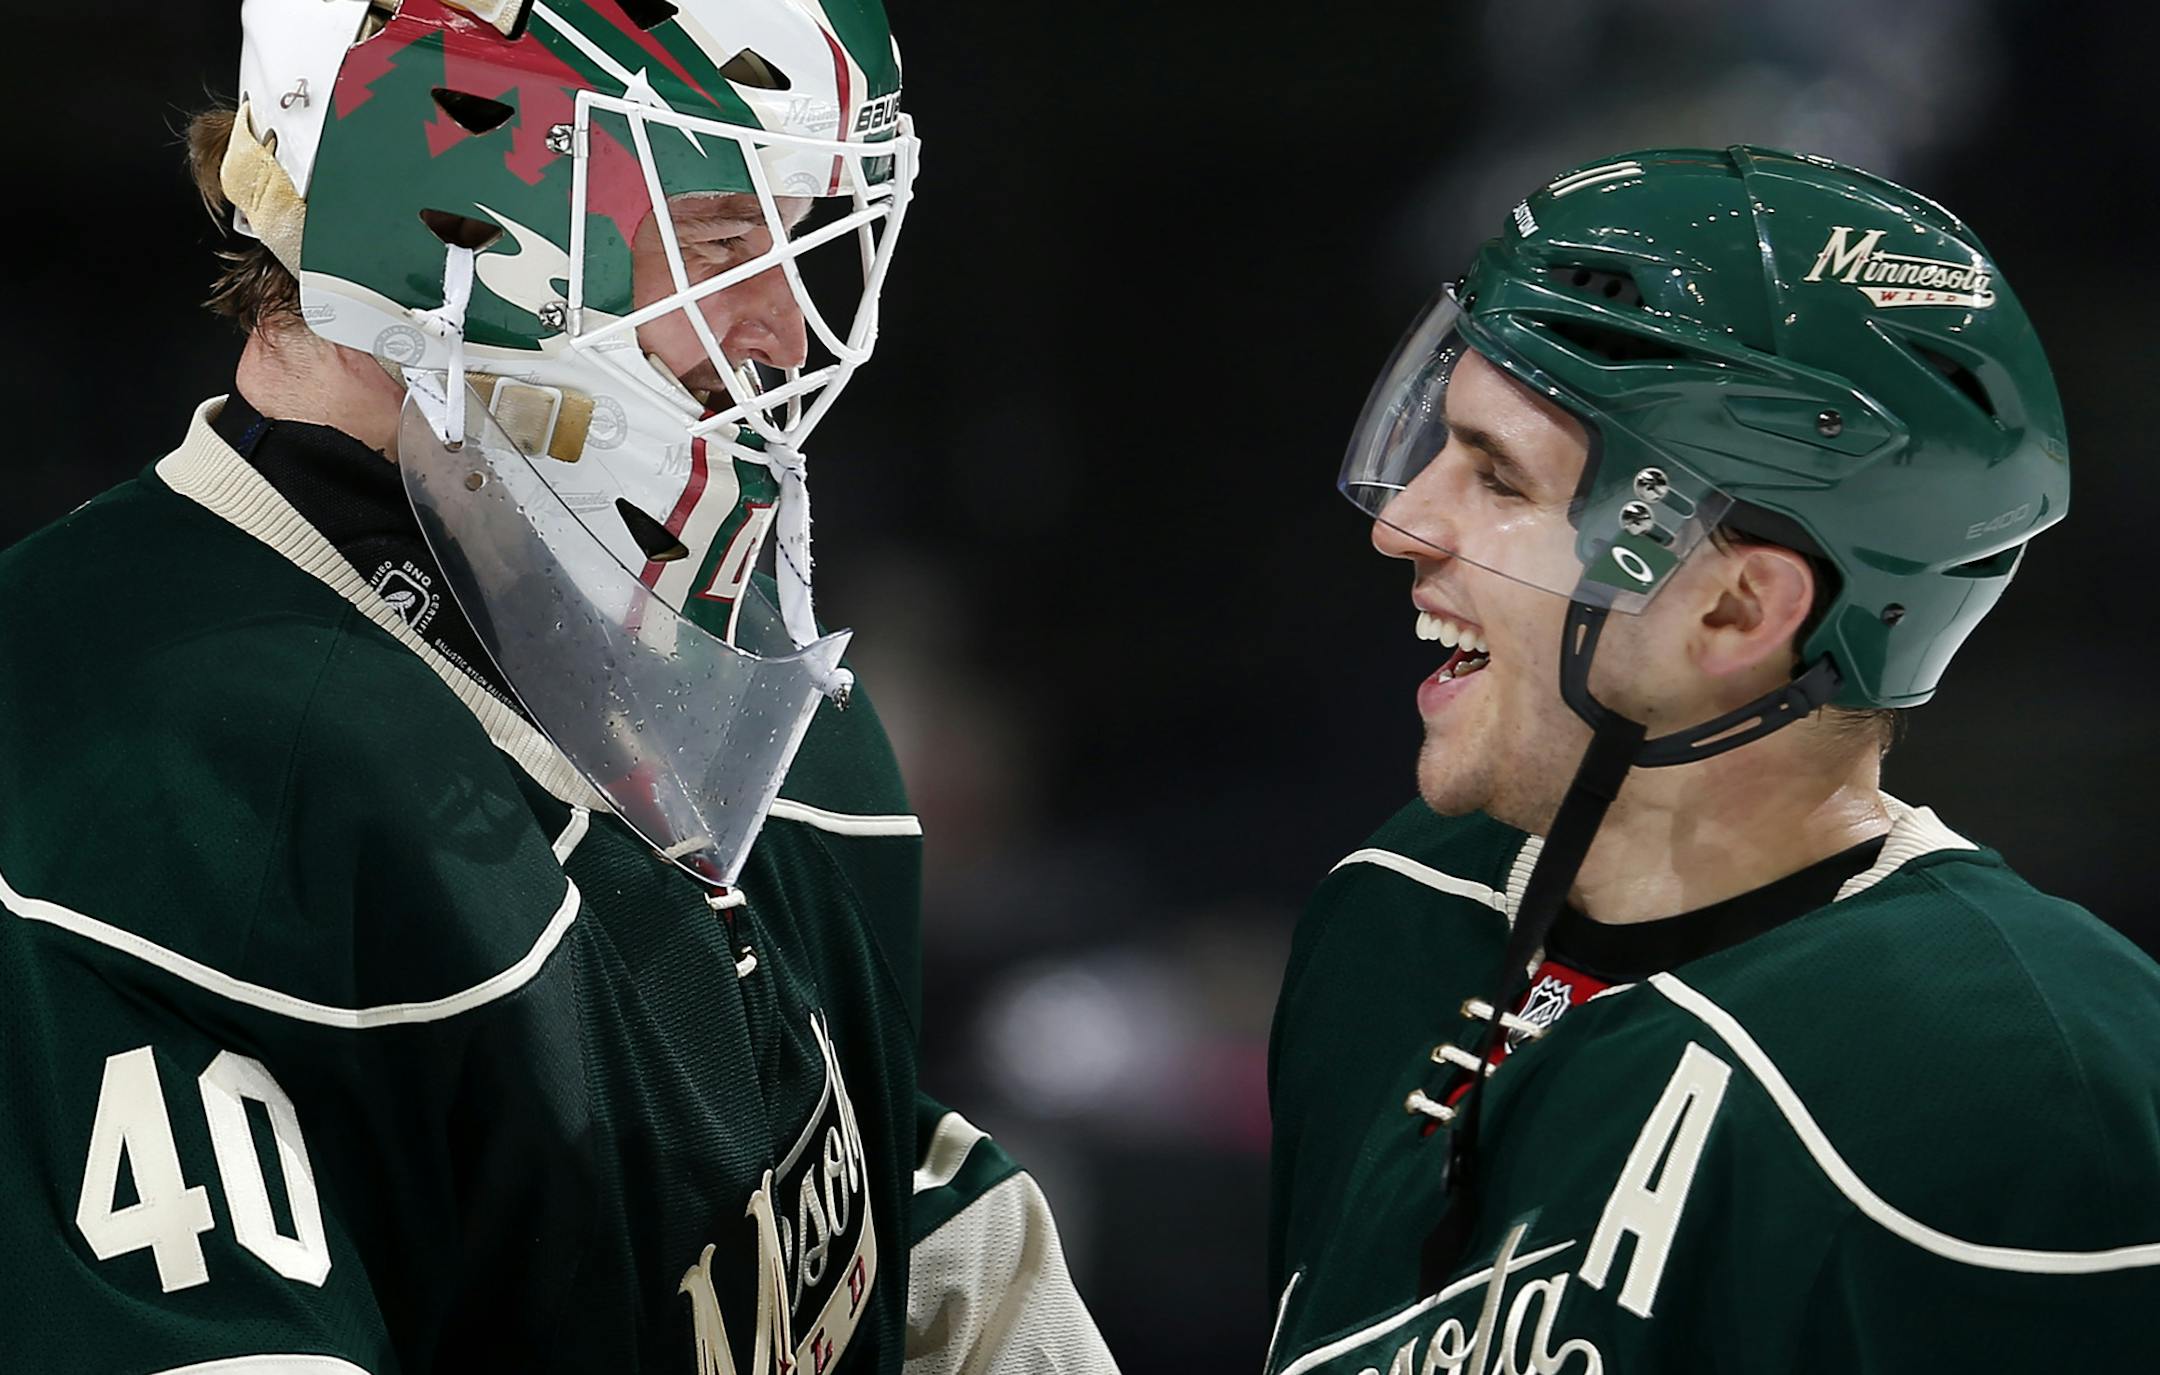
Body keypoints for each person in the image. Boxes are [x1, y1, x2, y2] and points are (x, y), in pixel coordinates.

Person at [0, 1, 1116, 1371]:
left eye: (804, 230)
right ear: (442, 211)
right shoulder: (109, 760)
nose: (781, 324)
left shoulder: (777, 729)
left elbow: (875, 1221)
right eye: (718, 235)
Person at [1264, 146, 2160, 1373]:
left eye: (1498, 477)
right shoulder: (1400, 911)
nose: (1401, 524)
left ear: (1740, 611)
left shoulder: (2022, 1083)